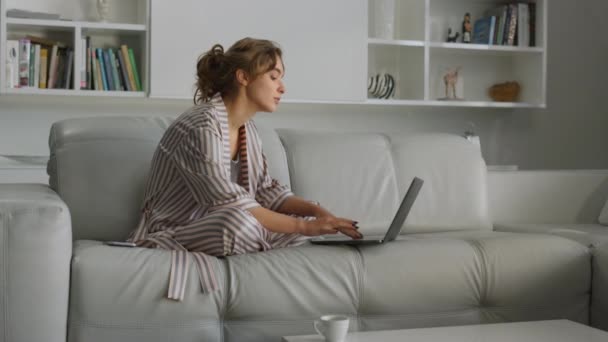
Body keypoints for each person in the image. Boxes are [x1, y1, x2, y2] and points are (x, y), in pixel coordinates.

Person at [127, 37, 362, 301]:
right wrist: (303, 228)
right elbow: (229, 204)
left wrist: (315, 212)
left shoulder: (247, 130)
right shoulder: (200, 126)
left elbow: (265, 191)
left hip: (235, 221)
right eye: (274, 77)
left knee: (304, 224)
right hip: (177, 228)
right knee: (240, 223)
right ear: (244, 77)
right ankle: (269, 238)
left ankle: (271, 236)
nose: (282, 87)